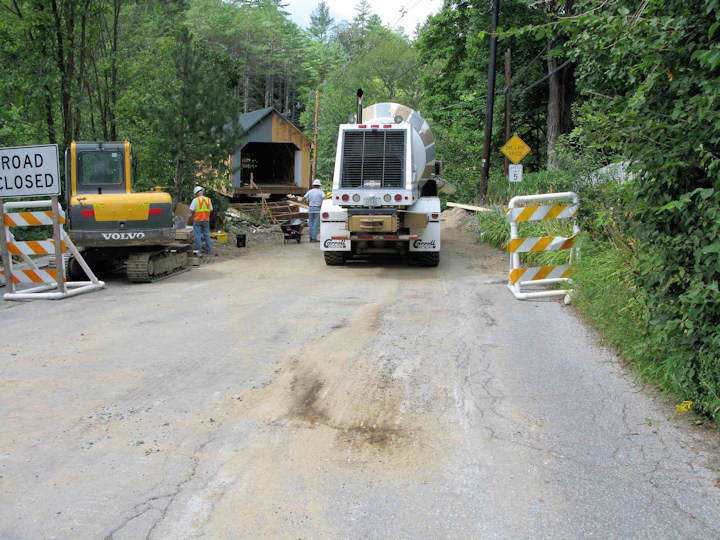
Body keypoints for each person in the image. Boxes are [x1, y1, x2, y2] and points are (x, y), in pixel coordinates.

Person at [189, 186, 213, 254]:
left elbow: (191, 210)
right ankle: (209, 250)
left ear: (196, 193)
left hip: (197, 220)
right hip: (206, 219)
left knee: (197, 235)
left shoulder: (195, 200)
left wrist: (194, 214)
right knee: (207, 235)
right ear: (202, 192)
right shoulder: (208, 200)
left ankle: (199, 250)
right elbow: (211, 210)